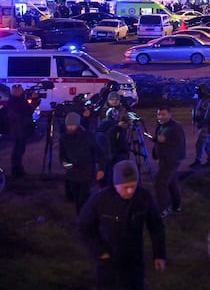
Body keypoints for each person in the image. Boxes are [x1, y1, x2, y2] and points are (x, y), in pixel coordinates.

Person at [78, 160, 166, 290]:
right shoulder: (99, 200)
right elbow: (84, 228)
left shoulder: (144, 198)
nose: (130, 191)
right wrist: (100, 251)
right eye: (125, 187)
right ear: (115, 184)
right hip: (108, 260)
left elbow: (156, 226)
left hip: (135, 259)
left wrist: (159, 254)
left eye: (133, 186)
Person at [59, 111, 105, 214]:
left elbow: (100, 153)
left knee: (82, 200)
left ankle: (83, 220)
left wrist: (101, 169)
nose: (70, 128)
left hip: (86, 173)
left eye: (72, 125)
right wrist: (64, 163)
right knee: (76, 198)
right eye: (68, 126)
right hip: (72, 174)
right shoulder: (64, 138)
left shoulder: (88, 137)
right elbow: (62, 155)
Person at [152, 106, 186, 217]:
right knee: (171, 182)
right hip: (166, 159)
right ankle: (176, 205)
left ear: (169, 115)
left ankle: (164, 208)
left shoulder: (174, 128)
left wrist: (165, 140)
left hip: (170, 160)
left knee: (160, 183)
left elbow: (177, 143)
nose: (160, 117)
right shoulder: (162, 126)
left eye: (163, 114)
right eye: (159, 114)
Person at [6, 84, 36, 179]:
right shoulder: (15, 102)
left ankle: (18, 169)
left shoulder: (16, 101)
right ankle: (16, 170)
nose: (20, 91)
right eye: (19, 90)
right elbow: (26, 112)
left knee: (19, 149)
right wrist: (33, 104)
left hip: (20, 128)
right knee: (18, 150)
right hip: (19, 129)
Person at [95, 107, 130, 187]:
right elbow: (122, 144)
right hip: (113, 156)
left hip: (102, 157)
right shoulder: (116, 128)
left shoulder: (100, 125)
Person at [189, 83, 210, 169]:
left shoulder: (208, 100)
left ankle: (198, 160)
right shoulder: (204, 99)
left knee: (200, 143)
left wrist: (200, 119)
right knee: (207, 144)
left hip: (206, 125)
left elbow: (207, 114)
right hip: (205, 125)